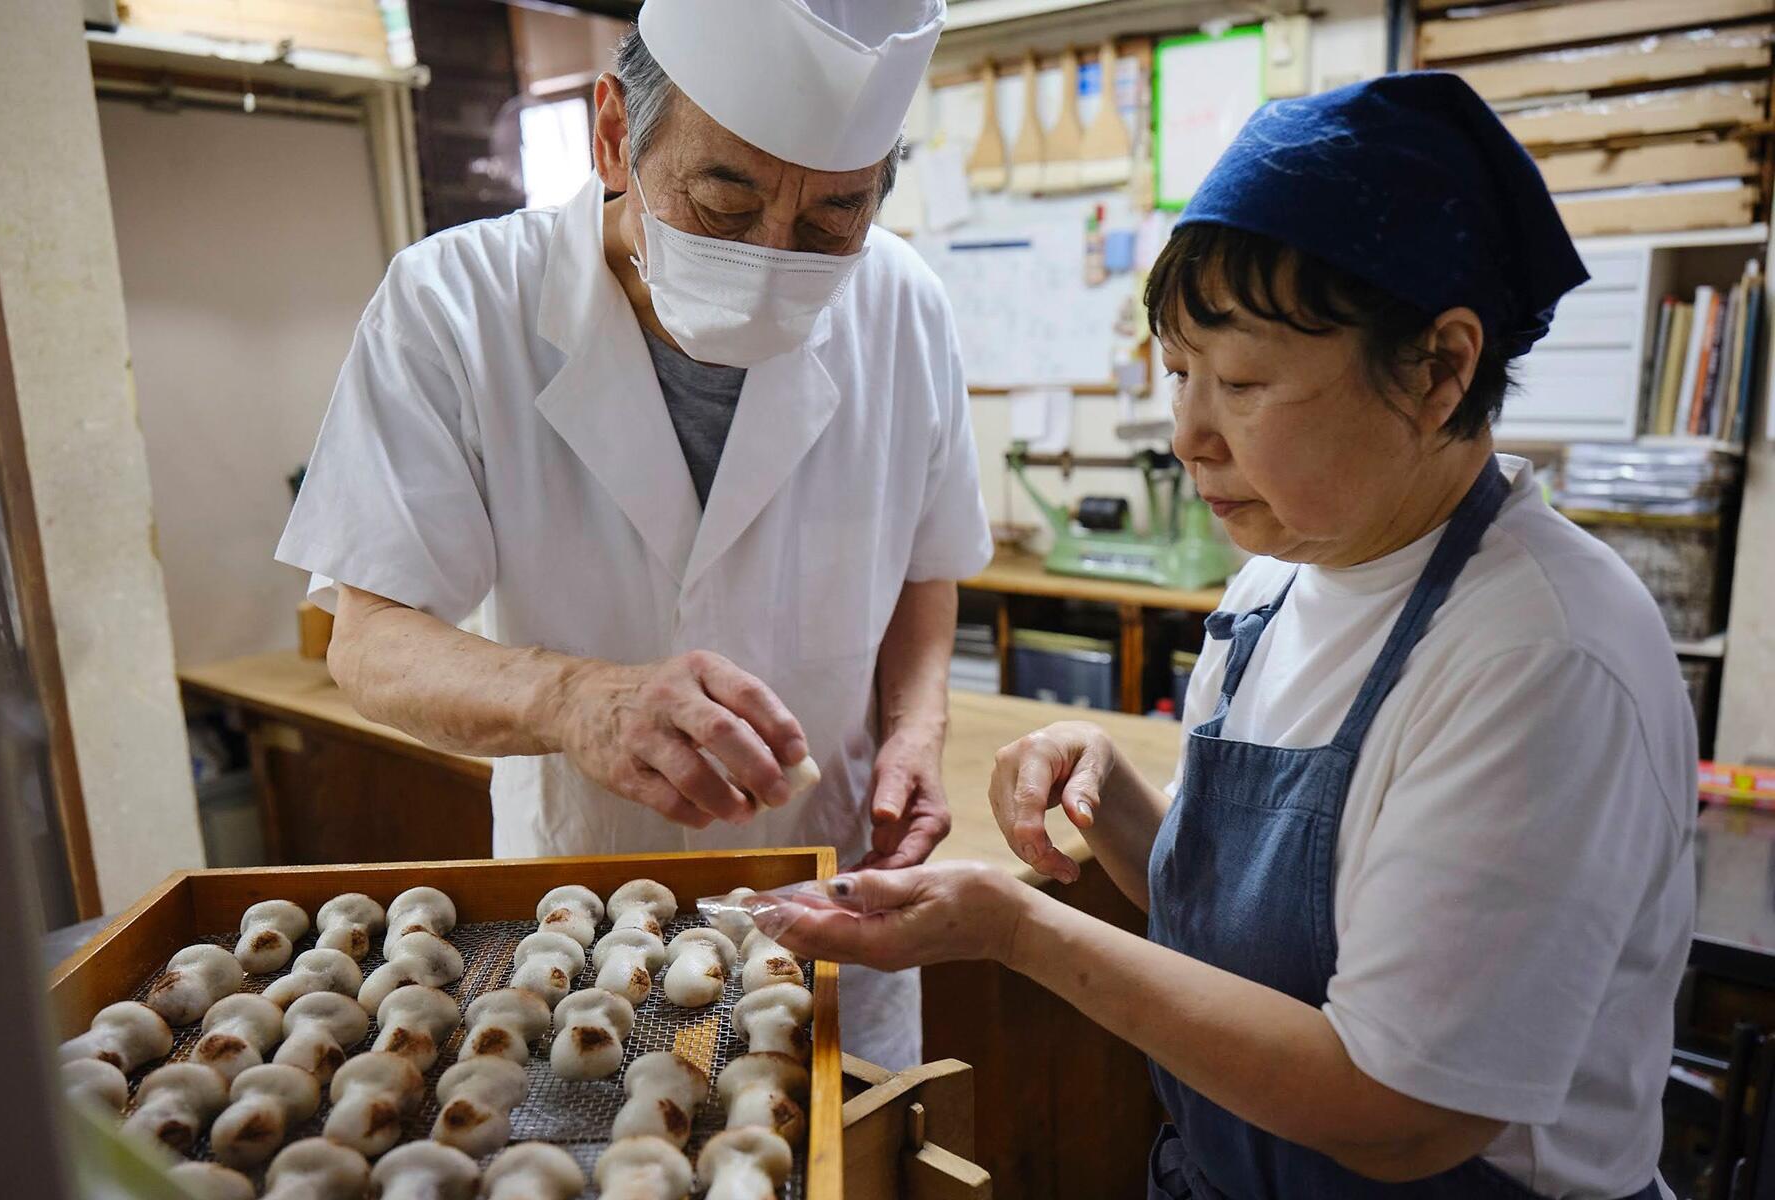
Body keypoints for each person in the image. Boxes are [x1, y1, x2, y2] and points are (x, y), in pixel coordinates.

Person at [756, 73, 1695, 1197]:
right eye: (1179, 374)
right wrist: (1118, 807)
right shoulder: (1278, 583)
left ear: (1441, 368)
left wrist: (1018, 931)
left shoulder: (1541, 658)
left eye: (1244, 382)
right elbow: (1253, 941)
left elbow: (1399, 1112)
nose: (1189, 434)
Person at [274, 0, 991, 1068]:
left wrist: (916, 731)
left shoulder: (903, 307)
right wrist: (574, 699)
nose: (773, 255)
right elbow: (369, 640)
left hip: (834, 895)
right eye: (724, 199)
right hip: (584, 917)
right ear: (614, 132)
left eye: (833, 219)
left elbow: (927, 570)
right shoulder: (455, 306)